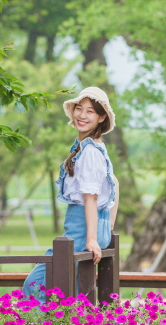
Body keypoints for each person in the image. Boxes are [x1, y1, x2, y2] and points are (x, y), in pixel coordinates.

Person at [23, 86, 119, 301]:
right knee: (72, 291)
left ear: (102, 117)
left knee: (35, 284)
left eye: (90, 111)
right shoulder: (93, 148)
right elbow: (115, 183)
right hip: (92, 227)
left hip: (81, 230)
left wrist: (92, 238)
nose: (82, 115)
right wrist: (108, 225)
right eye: (79, 108)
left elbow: (90, 197)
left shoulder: (90, 152)